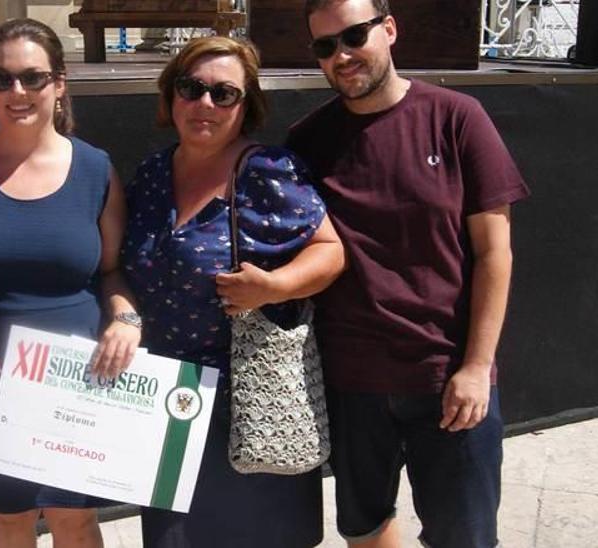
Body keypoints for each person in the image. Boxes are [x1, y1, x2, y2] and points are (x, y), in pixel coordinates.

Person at [286, 1, 531, 547]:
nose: (342, 55)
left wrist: (476, 367)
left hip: (445, 378)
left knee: (463, 537)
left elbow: (495, 253)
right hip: (352, 382)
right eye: (325, 46)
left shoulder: (456, 117)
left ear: (389, 29)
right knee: (365, 528)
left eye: (354, 36)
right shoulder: (307, 142)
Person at [0, 18, 140, 548]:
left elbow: (111, 271)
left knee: (75, 522)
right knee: (8, 522)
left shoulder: (95, 169)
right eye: (2, 79)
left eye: (33, 78)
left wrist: (126, 318)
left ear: (59, 84)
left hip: (74, 382)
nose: (18, 92)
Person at [121, 36, 346, 547]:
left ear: (246, 107)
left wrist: (274, 286)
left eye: (224, 94)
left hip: (247, 395)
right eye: (191, 88)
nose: (205, 104)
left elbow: (331, 250)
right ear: (170, 95)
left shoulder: (266, 171)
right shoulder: (154, 173)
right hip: (166, 400)